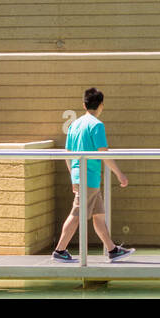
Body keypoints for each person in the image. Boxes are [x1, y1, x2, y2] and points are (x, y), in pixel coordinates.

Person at [52, 87, 133, 263]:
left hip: (83, 177)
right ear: (101, 105)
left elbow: (68, 152)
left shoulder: (75, 125)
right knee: (77, 213)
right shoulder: (96, 125)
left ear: (84, 104)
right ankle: (59, 250)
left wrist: (73, 177)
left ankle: (112, 250)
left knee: (98, 215)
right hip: (89, 178)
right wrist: (119, 174)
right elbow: (103, 152)